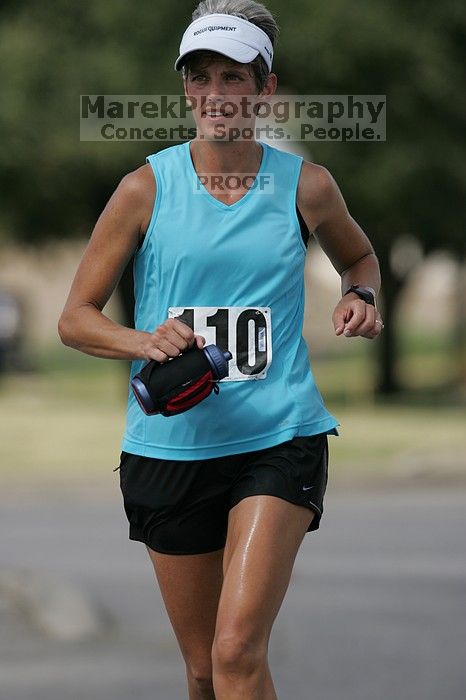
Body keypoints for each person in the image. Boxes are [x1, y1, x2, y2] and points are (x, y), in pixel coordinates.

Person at [58, 1, 383, 698]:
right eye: (200, 76)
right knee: (204, 669)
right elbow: (75, 320)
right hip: (170, 446)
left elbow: (360, 260)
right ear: (185, 89)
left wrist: (364, 297)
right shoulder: (143, 189)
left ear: (265, 89)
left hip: (278, 434)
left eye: (233, 76)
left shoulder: (307, 186)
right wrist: (143, 340)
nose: (214, 94)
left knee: (236, 651)